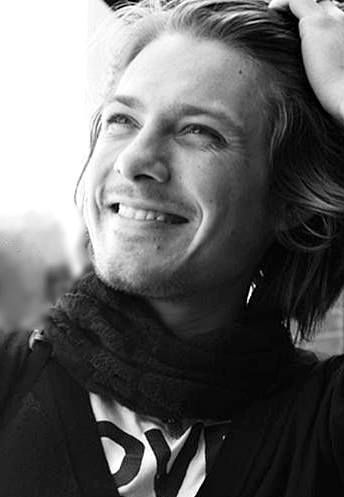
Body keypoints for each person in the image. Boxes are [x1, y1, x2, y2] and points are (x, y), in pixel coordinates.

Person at [0, 0, 344, 495]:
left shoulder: (318, 430)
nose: (135, 160)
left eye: (199, 131)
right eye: (121, 120)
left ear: (292, 200)